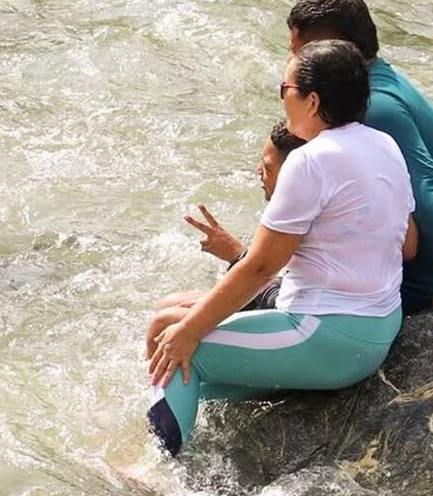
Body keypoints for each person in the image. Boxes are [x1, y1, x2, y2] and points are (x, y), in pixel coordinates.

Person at [147, 40, 413, 457]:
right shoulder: (386, 146)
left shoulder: (311, 160)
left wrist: (189, 332)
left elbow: (260, 267)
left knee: (178, 346)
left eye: (284, 88)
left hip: (326, 336)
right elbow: (408, 243)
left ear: (312, 100)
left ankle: (153, 475)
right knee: (184, 346)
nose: (282, 97)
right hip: (378, 331)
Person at [286, 0, 433, 317]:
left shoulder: (377, 107)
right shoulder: (380, 80)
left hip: (411, 283)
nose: (292, 63)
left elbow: (428, 186)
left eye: (300, 52)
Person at [145, 122, 418, 360]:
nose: (258, 172)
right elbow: (407, 247)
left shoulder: (308, 179)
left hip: (320, 321)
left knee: (165, 323)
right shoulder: (379, 153)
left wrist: (236, 257)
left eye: (267, 167)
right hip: (339, 308)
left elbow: (261, 270)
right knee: (169, 304)